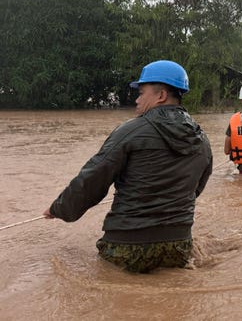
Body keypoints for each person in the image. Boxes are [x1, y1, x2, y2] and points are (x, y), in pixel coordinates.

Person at [43, 60, 213, 273]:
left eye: (142, 93)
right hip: (178, 247)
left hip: (127, 246)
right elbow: (196, 188)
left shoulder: (130, 131)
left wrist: (59, 208)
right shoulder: (202, 139)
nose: (137, 100)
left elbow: (93, 177)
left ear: (161, 96)